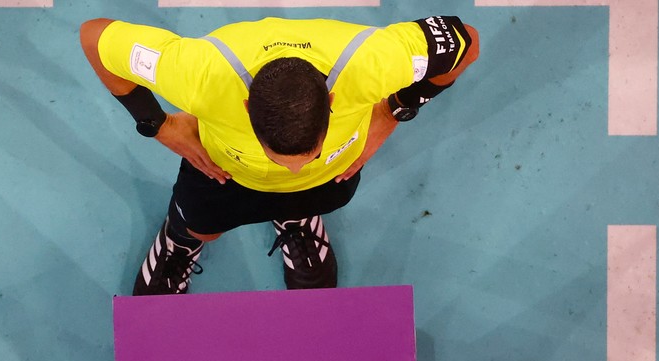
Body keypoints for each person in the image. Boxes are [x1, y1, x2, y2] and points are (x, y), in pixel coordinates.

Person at [80, 16, 479, 295]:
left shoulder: (374, 61)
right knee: (202, 229)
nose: (295, 169)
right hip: (223, 174)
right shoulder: (200, 73)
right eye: (280, 158)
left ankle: (295, 218)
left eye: (309, 153)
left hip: (330, 179)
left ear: (333, 100)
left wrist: (397, 109)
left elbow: (467, 43)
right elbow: (95, 37)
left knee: (309, 198)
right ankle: (181, 245)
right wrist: (158, 125)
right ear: (247, 107)